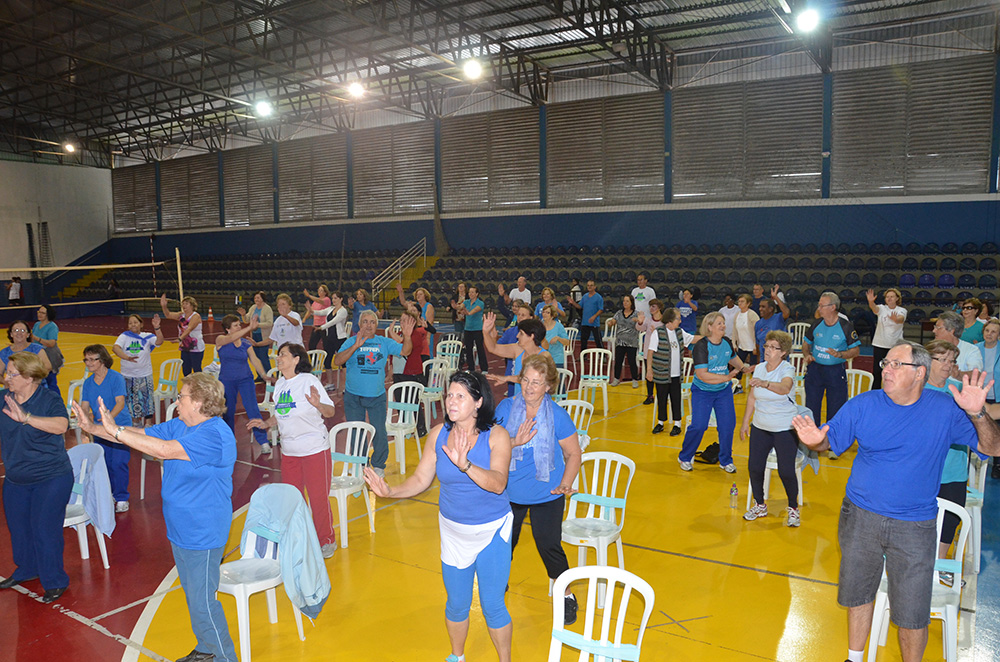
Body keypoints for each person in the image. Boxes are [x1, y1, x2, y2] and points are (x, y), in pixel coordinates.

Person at [791, 341, 1000, 662]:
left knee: (912, 609)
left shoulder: (944, 409)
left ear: (919, 373)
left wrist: (977, 413)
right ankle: (854, 658)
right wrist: (817, 441)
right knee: (859, 593)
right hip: (860, 516)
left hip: (915, 525)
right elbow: (829, 439)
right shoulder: (864, 404)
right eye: (885, 363)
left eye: (894, 365)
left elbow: (993, 447)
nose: (884, 369)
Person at [74, 373, 239, 662]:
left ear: (198, 402)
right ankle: (206, 650)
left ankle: (226, 658)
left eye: (182, 396)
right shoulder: (181, 425)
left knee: (203, 602)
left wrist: (114, 432)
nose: (177, 401)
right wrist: (95, 427)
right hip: (181, 529)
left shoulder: (214, 434)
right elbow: (140, 434)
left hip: (204, 531)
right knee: (193, 596)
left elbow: (163, 450)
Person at [363, 371, 513, 662]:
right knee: (457, 604)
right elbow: (420, 479)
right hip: (453, 532)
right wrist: (390, 491)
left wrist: (466, 465)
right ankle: (457, 657)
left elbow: (498, 484)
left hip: (492, 530)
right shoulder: (438, 435)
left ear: (478, 402)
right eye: (449, 395)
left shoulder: (497, 436)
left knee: (492, 604)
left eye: (460, 396)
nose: (451, 401)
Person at [495, 353, 582, 626]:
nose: (530, 387)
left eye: (537, 382)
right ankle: (498, 585)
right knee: (503, 544)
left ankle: (566, 595)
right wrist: (514, 440)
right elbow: (491, 447)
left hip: (548, 493)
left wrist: (566, 483)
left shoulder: (557, 415)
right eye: (525, 380)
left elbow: (574, 454)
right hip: (509, 492)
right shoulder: (506, 408)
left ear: (548, 386)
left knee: (549, 547)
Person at [248, 343, 338, 558]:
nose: (278, 358)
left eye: (283, 355)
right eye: (278, 355)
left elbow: (330, 412)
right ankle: (300, 536)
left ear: (296, 359)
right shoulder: (279, 384)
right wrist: (266, 424)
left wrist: (317, 404)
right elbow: (281, 414)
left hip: (314, 449)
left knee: (318, 498)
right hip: (290, 452)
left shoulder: (309, 381)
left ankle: (326, 540)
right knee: (293, 499)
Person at [0, 351, 72, 604]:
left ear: (29, 377)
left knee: (44, 529)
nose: (6, 377)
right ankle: (27, 569)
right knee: (19, 530)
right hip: (16, 478)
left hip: (51, 477)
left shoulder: (49, 398)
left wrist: (27, 418)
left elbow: (62, 426)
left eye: (12, 373)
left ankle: (55, 580)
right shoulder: (3, 399)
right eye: (7, 372)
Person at [335, 310, 414, 477]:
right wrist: (355, 346)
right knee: (356, 431)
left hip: (376, 396)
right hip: (353, 396)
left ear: (376, 325)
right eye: (365, 321)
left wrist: (407, 336)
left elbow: (406, 351)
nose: (368, 325)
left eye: (372, 322)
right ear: (359, 324)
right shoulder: (350, 342)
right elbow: (337, 361)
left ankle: (378, 465)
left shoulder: (384, 342)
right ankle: (360, 463)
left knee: (379, 430)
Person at [740, 331, 800, 527]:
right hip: (760, 426)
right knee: (754, 467)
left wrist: (765, 383)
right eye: (766, 346)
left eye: (773, 347)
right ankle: (760, 504)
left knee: (786, 471)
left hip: (784, 427)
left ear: (782, 352)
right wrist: (745, 422)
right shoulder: (759, 369)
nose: (767, 350)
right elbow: (752, 397)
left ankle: (793, 507)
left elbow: (784, 388)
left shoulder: (787, 369)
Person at [677, 312, 749, 473]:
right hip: (702, 391)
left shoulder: (726, 342)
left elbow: (732, 358)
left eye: (723, 323)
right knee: (699, 425)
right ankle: (685, 456)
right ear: (709, 327)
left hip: (722, 392)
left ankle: (725, 460)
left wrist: (744, 368)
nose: (723, 325)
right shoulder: (701, 346)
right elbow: (703, 375)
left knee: (727, 425)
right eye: (719, 323)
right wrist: (726, 377)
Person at [922, 339, 969, 569]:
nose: (949, 365)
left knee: (950, 520)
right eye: (943, 360)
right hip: (924, 469)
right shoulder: (915, 391)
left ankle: (940, 564)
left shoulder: (958, 390)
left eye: (952, 361)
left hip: (954, 468)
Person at [80, 344, 134, 513]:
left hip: (120, 426)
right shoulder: (88, 383)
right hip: (100, 429)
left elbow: (120, 403)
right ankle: (109, 493)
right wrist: (85, 424)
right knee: (104, 463)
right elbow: (85, 407)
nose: (88, 363)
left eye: (91, 359)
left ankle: (122, 497)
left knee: (118, 462)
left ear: (102, 360)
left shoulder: (116, 378)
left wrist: (106, 420)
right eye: (86, 359)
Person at [803, 292, 860, 429]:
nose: (819, 308)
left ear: (833, 307)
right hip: (815, 370)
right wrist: (807, 355)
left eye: (822, 305)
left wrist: (840, 354)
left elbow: (856, 351)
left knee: (836, 406)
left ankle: (832, 437)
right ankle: (812, 435)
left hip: (835, 371)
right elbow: (806, 343)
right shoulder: (816, 324)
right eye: (819, 305)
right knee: (811, 405)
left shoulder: (845, 327)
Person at [216, 314, 269, 454]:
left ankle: (263, 441)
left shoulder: (245, 343)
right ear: (228, 329)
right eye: (235, 325)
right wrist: (248, 328)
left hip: (245, 379)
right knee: (227, 410)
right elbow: (231, 338)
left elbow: (254, 359)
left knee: (252, 408)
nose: (239, 327)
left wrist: (263, 375)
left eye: (239, 324)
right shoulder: (221, 340)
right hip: (227, 380)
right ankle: (229, 439)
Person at [647, 307, 697, 436]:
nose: (680, 321)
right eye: (678, 318)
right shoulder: (658, 333)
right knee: (662, 398)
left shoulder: (680, 332)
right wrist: (649, 371)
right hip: (662, 373)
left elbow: (693, 339)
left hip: (676, 374)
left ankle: (677, 424)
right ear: (670, 319)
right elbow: (650, 352)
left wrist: (710, 337)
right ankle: (661, 422)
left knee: (676, 398)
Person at [113, 313, 165, 425]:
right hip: (128, 376)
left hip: (144, 375)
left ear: (141, 324)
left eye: (135, 322)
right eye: (130, 323)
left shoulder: (147, 336)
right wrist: (126, 357)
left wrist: (157, 327)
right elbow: (115, 348)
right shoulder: (124, 336)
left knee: (147, 399)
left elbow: (159, 341)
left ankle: (148, 422)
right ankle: (135, 422)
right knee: (131, 401)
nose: (133, 325)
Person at [482, 312, 547, 397]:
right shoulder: (518, 349)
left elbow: (530, 379)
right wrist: (485, 332)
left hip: (536, 402)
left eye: (521, 333)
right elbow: (492, 348)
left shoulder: (544, 356)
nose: (517, 336)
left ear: (531, 336)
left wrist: (507, 378)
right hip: (519, 400)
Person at [866, 288, 907, 390]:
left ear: (897, 298)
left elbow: (901, 319)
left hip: (894, 346)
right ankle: (875, 392)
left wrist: (895, 319)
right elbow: (874, 308)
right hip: (880, 344)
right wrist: (871, 301)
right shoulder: (882, 309)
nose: (889, 299)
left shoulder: (901, 310)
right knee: (877, 371)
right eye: (887, 297)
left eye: (892, 297)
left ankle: (895, 390)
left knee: (895, 370)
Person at [977, 319, 1000, 479]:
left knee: (997, 431)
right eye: (987, 330)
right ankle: (978, 464)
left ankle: (997, 465)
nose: (989, 334)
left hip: (997, 396)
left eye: (993, 331)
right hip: (981, 396)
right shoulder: (976, 349)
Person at [160, 293, 204, 375]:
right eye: (183, 304)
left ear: (192, 305)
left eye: (186, 303)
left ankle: (199, 387)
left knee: (197, 370)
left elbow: (189, 329)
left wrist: (180, 338)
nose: (184, 305)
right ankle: (188, 387)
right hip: (185, 347)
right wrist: (164, 306)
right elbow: (168, 315)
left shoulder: (196, 316)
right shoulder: (181, 315)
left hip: (196, 347)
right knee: (186, 370)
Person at [0, 320, 52, 388]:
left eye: (22, 330)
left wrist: (30, 378)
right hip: (13, 389)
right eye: (16, 330)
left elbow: (48, 367)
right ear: (11, 334)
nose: (19, 333)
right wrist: (6, 382)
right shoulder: (4, 352)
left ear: (28, 334)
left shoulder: (36, 349)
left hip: (36, 388)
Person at [498, 302, 532, 397]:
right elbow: (498, 348)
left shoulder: (535, 333)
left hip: (530, 377)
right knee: (513, 404)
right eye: (518, 315)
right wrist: (491, 336)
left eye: (523, 315)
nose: (520, 317)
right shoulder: (510, 332)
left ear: (531, 317)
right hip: (513, 375)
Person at [933, 311, 983, 375]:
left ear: (951, 330)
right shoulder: (932, 349)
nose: (934, 331)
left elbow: (975, 374)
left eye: (938, 328)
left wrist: (957, 375)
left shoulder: (971, 350)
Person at [608, 294, 641, 388]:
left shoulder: (636, 313)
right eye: (624, 301)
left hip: (632, 342)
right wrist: (611, 323)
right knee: (618, 361)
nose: (625, 303)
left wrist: (639, 321)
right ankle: (616, 378)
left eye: (627, 301)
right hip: (620, 341)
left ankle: (635, 379)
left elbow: (641, 323)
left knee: (632, 361)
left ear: (631, 303)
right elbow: (613, 321)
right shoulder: (619, 313)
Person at [238, 291, 273, 378]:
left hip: (264, 336)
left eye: (258, 298)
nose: (256, 299)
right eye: (255, 298)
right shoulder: (253, 308)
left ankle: (269, 375)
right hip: (254, 335)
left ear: (262, 299)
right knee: (256, 357)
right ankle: (260, 375)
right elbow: (247, 320)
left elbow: (270, 323)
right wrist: (243, 315)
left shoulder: (267, 309)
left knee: (263, 357)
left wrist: (258, 325)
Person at [32, 304, 63, 397]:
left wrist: (37, 338)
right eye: (39, 312)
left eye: (42, 313)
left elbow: (51, 343)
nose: (39, 314)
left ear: (48, 314)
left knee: (51, 382)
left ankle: (57, 403)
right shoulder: (37, 324)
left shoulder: (52, 326)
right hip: (37, 357)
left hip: (49, 357)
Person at [733, 293, 760, 394]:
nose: (740, 303)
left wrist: (755, 346)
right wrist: (734, 344)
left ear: (748, 303)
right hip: (742, 345)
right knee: (739, 366)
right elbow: (734, 331)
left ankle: (756, 388)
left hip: (752, 346)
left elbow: (757, 331)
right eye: (739, 301)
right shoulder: (737, 315)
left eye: (742, 301)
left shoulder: (752, 315)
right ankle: (739, 386)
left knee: (754, 368)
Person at [303, 284, 334, 374]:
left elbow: (320, 301)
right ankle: (316, 361)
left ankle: (327, 363)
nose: (319, 292)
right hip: (316, 326)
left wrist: (309, 296)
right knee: (311, 345)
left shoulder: (326, 300)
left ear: (325, 292)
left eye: (321, 290)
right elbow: (311, 310)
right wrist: (305, 318)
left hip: (324, 326)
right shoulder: (315, 302)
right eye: (319, 290)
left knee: (326, 346)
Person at [753, 285, 791, 357]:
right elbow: (758, 345)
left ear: (771, 309)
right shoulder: (758, 324)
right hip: (764, 361)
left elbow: (786, 312)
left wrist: (775, 297)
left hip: (779, 360)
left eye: (763, 307)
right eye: (760, 306)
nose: (760, 309)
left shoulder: (778, 318)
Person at [640, 299, 664, 405]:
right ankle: (650, 395)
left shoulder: (664, 321)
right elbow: (640, 328)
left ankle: (662, 396)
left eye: (653, 306)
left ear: (659, 308)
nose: (651, 309)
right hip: (648, 350)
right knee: (649, 374)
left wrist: (656, 332)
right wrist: (640, 322)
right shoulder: (648, 320)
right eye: (650, 307)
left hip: (660, 352)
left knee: (660, 375)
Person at [569, 280, 603, 350]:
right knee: (583, 341)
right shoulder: (585, 296)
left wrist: (594, 316)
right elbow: (579, 306)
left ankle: (603, 355)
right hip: (585, 322)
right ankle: (583, 356)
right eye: (588, 285)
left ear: (595, 287)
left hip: (594, 323)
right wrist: (573, 303)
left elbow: (601, 309)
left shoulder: (598, 297)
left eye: (591, 285)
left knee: (598, 340)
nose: (589, 287)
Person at [463, 286, 488, 372]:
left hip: (477, 329)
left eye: (473, 292)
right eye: (469, 292)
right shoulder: (466, 302)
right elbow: (460, 307)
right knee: (468, 349)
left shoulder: (480, 303)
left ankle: (484, 368)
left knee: (480, 348)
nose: (470, 294)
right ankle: (471, 368)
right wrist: (456, 306)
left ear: (477, 294)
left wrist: (468, 312)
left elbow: (474, 311)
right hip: (468, 329)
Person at [540, 305, 569, 370]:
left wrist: (559, 338)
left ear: (552, 315)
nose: (544, 314)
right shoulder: (539, 326)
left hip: (557, 359)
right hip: (542, 358)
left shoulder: (558, 326)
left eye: (547, 313)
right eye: (543, 312)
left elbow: (567, 342)